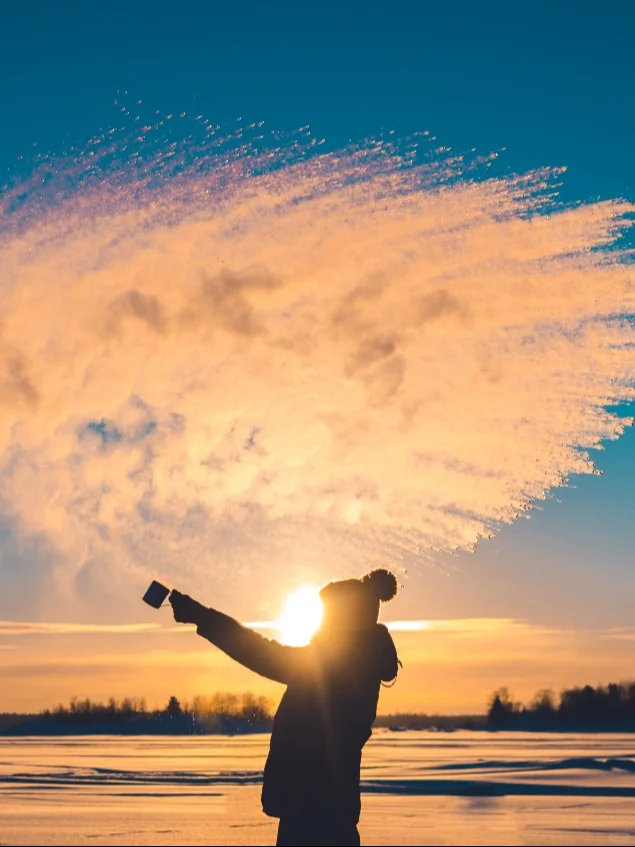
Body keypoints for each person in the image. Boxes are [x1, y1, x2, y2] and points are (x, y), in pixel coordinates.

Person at [169, 568, 400, 847]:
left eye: (328, 615)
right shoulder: (356, 660)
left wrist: (202, 617)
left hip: (313, 810)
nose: (322, 624)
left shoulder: (334, 665)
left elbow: (262, 653)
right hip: (323, 806)